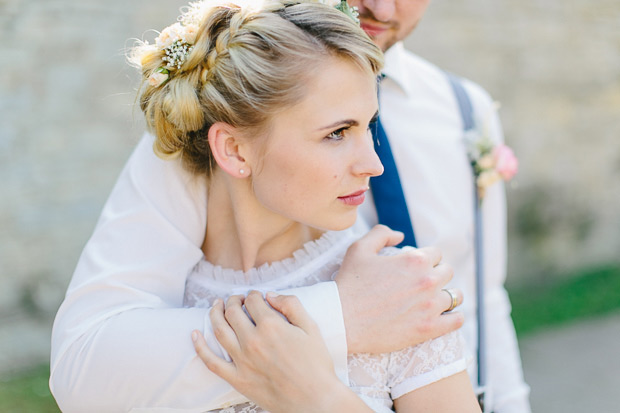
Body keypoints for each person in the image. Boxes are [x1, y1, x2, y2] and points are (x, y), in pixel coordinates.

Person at [49, 1, 468, 412]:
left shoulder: (396, 295)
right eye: (337, 133)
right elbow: (81, 373)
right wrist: (336, 317)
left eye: (368, 126)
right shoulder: (164, 306)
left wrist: (321, 401)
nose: (373, 165)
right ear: (233, 150)